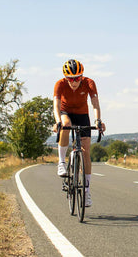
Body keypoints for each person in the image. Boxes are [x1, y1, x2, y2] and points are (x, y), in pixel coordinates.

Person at [52, 59, 106, 207]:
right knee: (66, 124)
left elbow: (95, 103)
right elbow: (56, 105)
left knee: (86, 152)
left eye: (77, 78)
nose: (74, 82)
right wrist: (57, 121)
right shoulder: (60, 84)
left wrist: (98, 120)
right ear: (65, 78)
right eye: (70, 78)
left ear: (82, 76)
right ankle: (62, 162)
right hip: (65, 112)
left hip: (82, 115)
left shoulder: (89, 83)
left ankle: (87, 192)